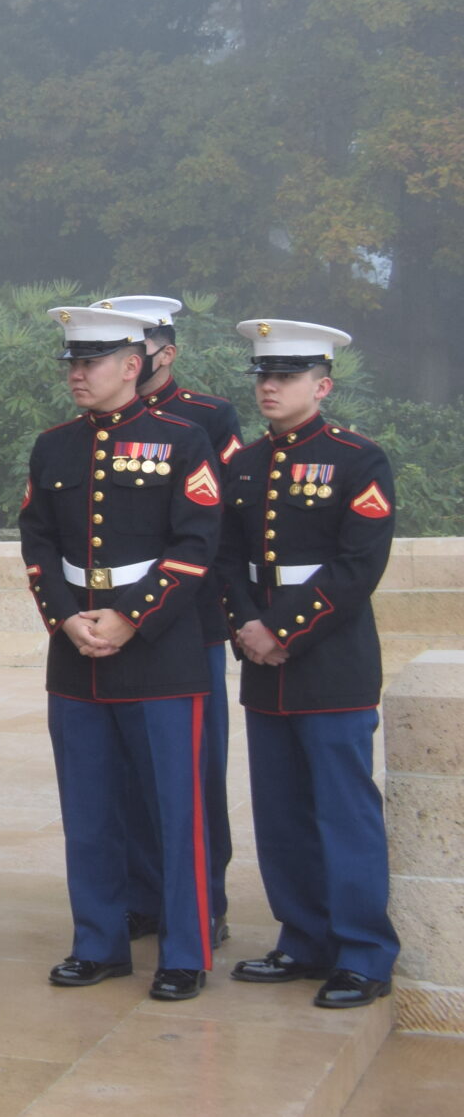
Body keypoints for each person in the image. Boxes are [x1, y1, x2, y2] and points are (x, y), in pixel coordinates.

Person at [18, 304, 222, 1000]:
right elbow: (38, 541)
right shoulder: (54, 446)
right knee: (89, 808)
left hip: (159, 652)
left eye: (92, 361)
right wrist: (67, 619)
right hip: (77, 652)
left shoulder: (183, 440)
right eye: (72, 361)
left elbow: (196, 546)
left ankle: (185, 952)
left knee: (174, 809)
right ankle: (98, 941)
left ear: (133, 366)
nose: (77, 373)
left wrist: (132, 617)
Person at [219, 320, 400, 1009]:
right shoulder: (243, 463)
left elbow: (358, 565)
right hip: (265, 660)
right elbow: (227, 557)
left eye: (285, 377)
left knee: (344, 811)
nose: (269, 386)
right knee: (282, 810)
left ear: (322, 386)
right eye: (263, 375)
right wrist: (244, 623)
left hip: (330, 659)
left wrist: (281, 626)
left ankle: (361, 952)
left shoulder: (359, 459)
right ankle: (302, 938)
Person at [99, 294, 244, 949]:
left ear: (164, 350)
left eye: (145, 342)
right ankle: (142, 894)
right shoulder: (96, 419)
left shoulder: (208, 418)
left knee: (195, 768)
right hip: (114, 620)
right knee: (127, 770)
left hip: (190, 618)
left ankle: (203, 896)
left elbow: (222, 523)